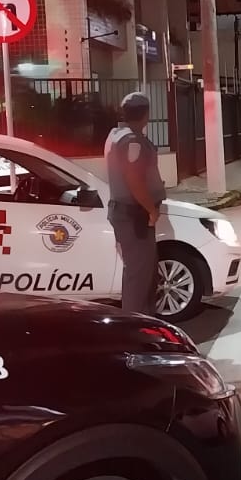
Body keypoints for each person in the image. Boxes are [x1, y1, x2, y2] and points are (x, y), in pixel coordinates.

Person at [104, 92, 165, 316]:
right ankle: (134, 325)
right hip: (134, 214)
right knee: (139, 274)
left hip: (129, 213)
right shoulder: (131, 141)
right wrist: (150, 209)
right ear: (146, 114)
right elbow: (133, 178)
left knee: (143, 271)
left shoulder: (116, 135)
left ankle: (145, 320)